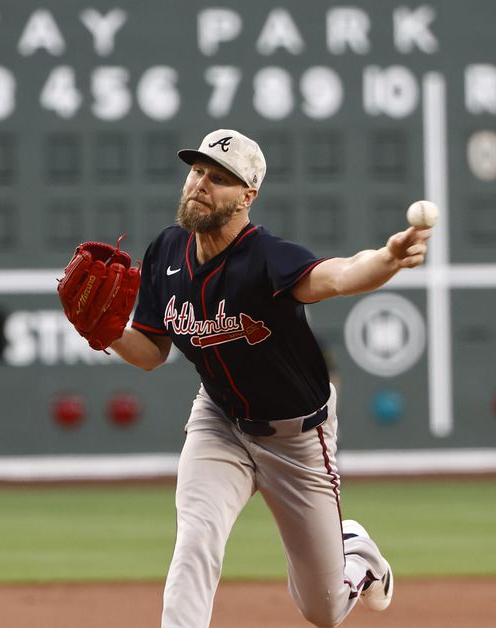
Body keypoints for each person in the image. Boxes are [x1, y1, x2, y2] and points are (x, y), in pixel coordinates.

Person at [108, 129, 430, 628]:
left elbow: (341, 275)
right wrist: (103, 332)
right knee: (196, 538)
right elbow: (150, 353)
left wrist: (387, 259)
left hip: (297, 437)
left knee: (322, 610)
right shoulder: (167, 251)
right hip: (219, 422)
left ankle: (357, 553)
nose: (200, 184)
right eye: (197, 172)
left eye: (219, 178)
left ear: (247, 197)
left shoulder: (267, 257)